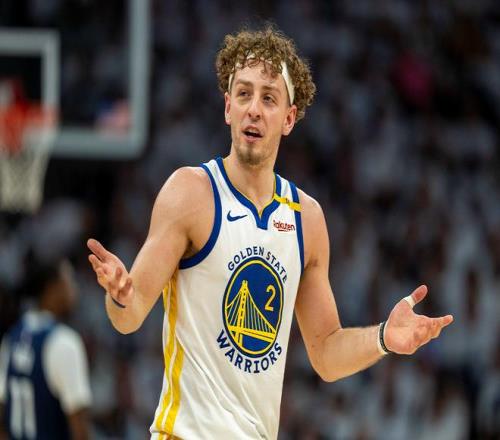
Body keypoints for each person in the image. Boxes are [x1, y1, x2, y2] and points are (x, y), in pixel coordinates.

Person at [87, 26, 453, 439]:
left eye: (268, 98)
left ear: (289, 118)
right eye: (243, 94)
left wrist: (384, 337)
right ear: (228, 108)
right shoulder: (191, 192)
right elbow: (130, 315)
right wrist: (120, 295)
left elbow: (326, 354)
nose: (254, 110)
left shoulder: (306, 218)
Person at [0, 256, 92, 440]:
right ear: (52, 289)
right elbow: (80, 431)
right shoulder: (64, 342)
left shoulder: (11, 338)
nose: (74, 289)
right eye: (69, 281)